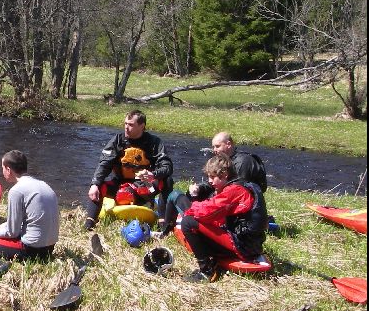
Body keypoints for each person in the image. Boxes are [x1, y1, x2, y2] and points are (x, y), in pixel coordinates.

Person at [180, 154, 268, 283]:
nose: (209, 181)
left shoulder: (235, 190)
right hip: (250, 243)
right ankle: (212, 258)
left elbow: (205, 212)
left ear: (225, 174)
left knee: (188, 222)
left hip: (244, 246)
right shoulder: (245, 185)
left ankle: (207, 270)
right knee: (200, 221)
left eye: (212, 177)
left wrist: (191, 208)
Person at [160, 131, 268, 236]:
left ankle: (167, 229)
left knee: (176, 196)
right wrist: (199, 188)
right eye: (213, 147)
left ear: (228, 144)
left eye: (217, 146)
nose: (214, 150)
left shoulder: (244, 162)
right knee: (192, 194)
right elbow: (213, 184)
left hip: (235, 214)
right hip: (224, 206)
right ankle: (174, 221)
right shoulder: (222, 161)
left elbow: (235, 194)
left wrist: (201, 207)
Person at [0, 150, 60, 279]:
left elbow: (12, 232)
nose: (2, 172)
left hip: (32, 250)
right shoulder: (43, 184)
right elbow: (28, 219)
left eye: (2, 168)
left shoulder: (17, 190)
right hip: (49, 248)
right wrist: (1, 226)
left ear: (8, 169)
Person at [84, 110, 173, 230]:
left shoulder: (154, 143)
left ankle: (164, 225)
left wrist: (153, 174)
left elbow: (167, 167)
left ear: (142, 126)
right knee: (99, 186)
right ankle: (89, 225)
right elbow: (104, 164)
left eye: (131, 125)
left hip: (145, 186)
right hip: (120, 183)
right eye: (125, 123)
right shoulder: (117, 141)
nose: (126, 127)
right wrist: (94, 184)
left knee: (167, 181)